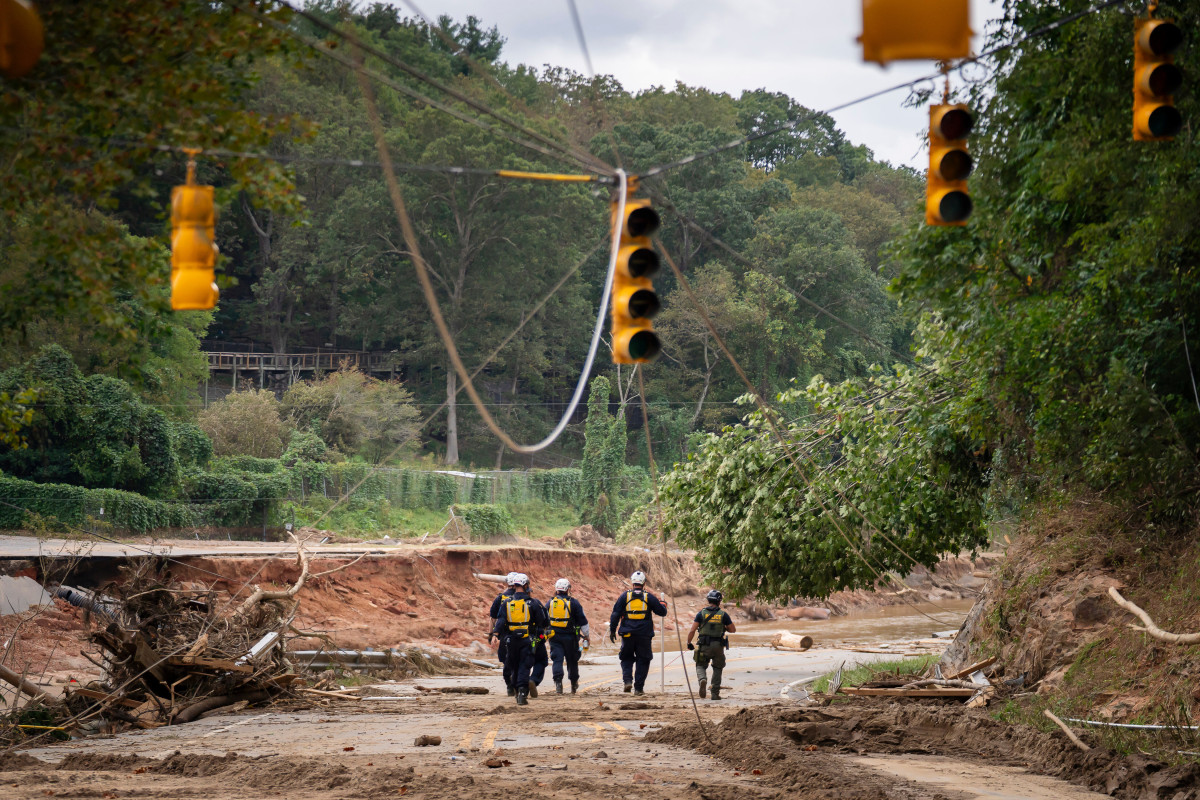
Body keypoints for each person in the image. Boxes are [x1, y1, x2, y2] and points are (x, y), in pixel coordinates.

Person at [492, 573, 548, 705]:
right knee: (525, 664)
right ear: (526, 585)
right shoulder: (533, 603)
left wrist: (495, 635)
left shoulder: (507, 602)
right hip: (527, 639)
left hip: (511, 640)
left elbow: (500, 621)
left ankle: (516, 690)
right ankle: (522, 692)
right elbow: (542, 621)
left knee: (514, 665)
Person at [609, 570, 667, 696]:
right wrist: (663, 605)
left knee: (626, 657)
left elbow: (615, 614)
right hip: (644, 635)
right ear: (644, 583)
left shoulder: (625, 596)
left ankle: (628, 681)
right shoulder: (649, 597)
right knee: (643, 659)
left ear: (632, 583)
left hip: (627, 634)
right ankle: (638, 688)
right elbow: (662, 612)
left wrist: (612, 630)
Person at [686, 589, 736, 700]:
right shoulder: (723, 615)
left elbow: (692, 630)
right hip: (718, 646)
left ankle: (702, 679)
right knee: (718, 668)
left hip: (704, 646)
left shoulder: (701, 614)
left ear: (709, 600)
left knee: (700, 665)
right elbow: (733, 629)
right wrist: (724, 627)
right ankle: (714, 693)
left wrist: (689, 643)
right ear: (719, 602)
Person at [545, 578, 589, 694]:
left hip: (554, 637)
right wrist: (586, 636)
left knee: (557, 660)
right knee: (572, 661)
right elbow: (583, 621)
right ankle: (574, 684)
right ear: (568, 589)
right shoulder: (574, 603)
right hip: (571, 638)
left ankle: (558, 683)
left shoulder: (550, 602)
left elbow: (544, 619)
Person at [488, 572, 519, 696]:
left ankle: (509, 685)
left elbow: (492, 618)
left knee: (506, 659)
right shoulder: (525, 598)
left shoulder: (501, 598)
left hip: (503, 634)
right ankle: (518, 683)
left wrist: (492, 635)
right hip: (521, 633)